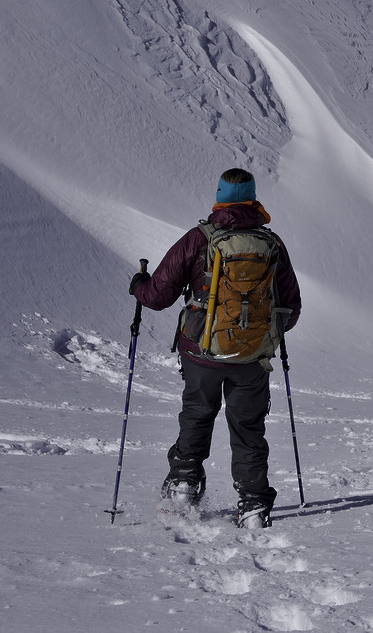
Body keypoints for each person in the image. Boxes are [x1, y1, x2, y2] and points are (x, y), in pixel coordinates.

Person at [131, 167, 301, 527]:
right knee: (248, 427)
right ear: (253, 198)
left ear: (220, 197)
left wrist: (139, 286)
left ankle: (183, 485)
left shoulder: (198, 239)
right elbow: (291, 306)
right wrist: (261, 334)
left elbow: (158, 296)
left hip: (200, 352)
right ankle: (253, 503)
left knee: (196, 414)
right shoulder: (270, 244)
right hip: (253, 357)